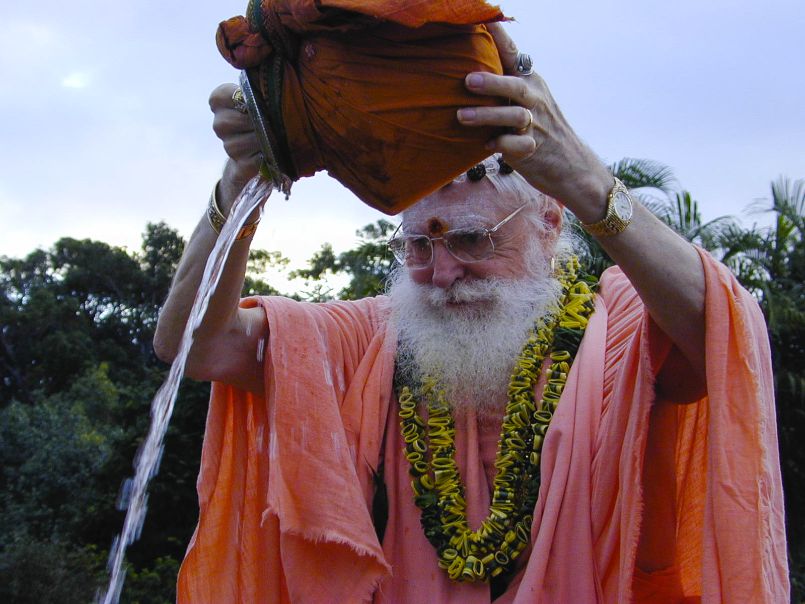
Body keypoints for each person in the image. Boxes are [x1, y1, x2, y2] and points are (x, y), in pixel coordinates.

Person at [154, 24, 788, 603]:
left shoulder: (618, 322)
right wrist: (240, 182)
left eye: (470, 240)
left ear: (548, 221)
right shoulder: (375, 337)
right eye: (419, 247)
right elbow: (195, 344)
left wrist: (584, 177)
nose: (443, 274)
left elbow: (722, 339)